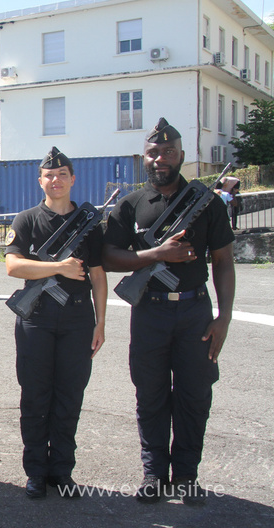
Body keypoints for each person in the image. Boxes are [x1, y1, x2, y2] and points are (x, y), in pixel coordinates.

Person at [102, 118, 235, 506]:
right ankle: (154, 474)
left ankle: (187, 476)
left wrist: (224, 317)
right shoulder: (131, 204)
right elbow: (108, 257)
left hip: (195, 311)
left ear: (181, 156)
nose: (160, 158)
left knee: (195, 396)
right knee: (151, 395)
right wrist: (157, 254)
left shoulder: (206, 202)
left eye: (169, 152)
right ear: (144, 157)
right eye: (153, 152)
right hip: (150, 311)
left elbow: (224, 261)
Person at [4, 147, 107, 500]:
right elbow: (13, 266)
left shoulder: (88, 223)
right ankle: (35, 472)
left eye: (62, 174)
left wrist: (101, 323)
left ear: (72, 179)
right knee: (35, 397)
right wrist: (59, 267)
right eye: (49, 175)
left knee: (69, 397)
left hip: (78, 318)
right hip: (37, 317)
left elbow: (98, 275)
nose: (56, 180)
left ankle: (62, 472)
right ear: (40, 181)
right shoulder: (27, 220)